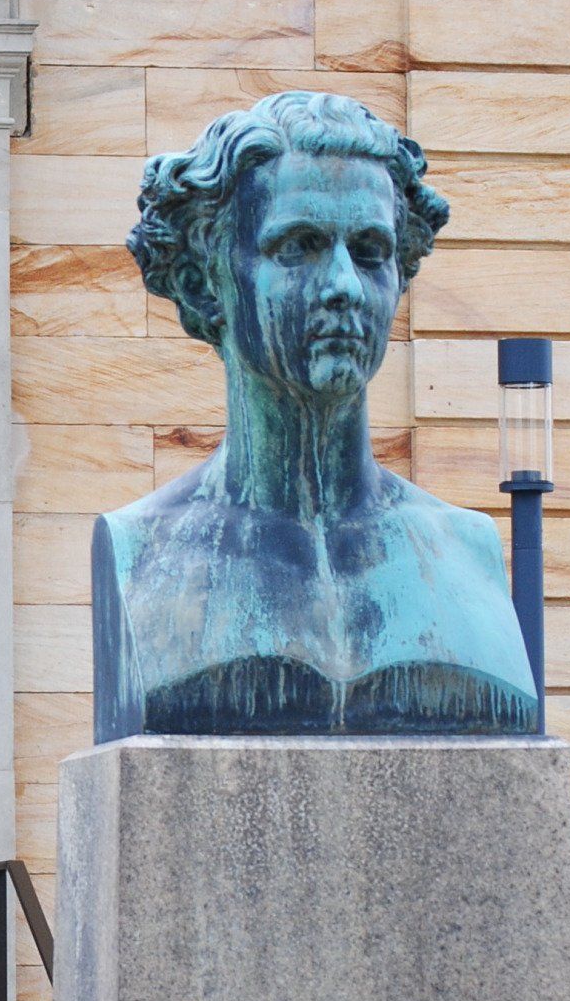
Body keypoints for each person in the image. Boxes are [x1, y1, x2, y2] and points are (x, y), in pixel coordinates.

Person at [94, 89, 538, 741]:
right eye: (298, 247)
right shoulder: (146, 555)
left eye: (369, 251)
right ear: (204, 280)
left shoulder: (463, 553)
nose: (342, 287)